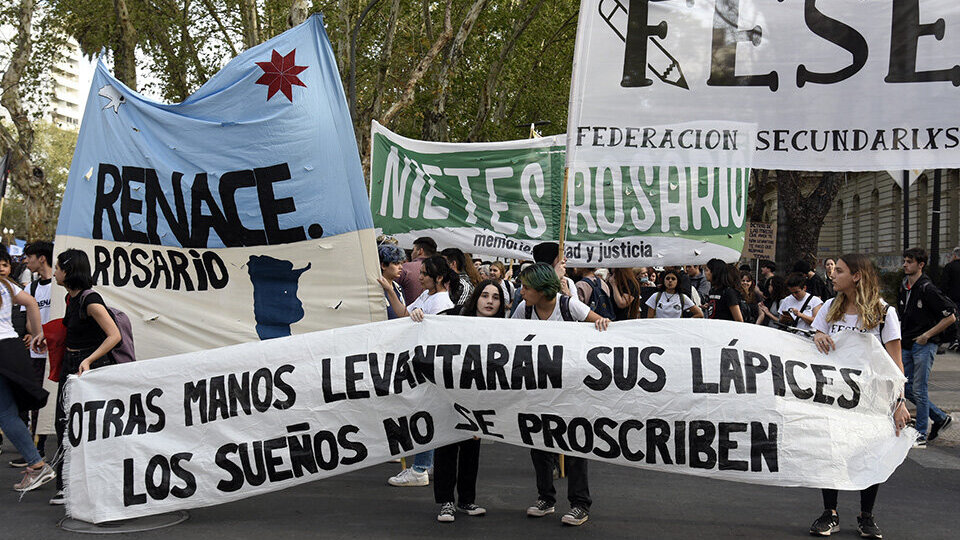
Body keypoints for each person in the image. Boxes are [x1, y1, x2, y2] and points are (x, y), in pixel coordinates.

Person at [809, 253, 911, 539]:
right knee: (831, 451)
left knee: (869, 452)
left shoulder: (883, 313)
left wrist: (900, 402)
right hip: (833, 395)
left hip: (871, 399)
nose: (832, 274)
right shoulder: (829, 308)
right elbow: (813, 343)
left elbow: (895, 361)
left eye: (839, 271)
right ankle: (830, 512)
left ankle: (866, 515)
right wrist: (817, 336)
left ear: (856, 276)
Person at [512, 263, 609, 527]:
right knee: (539, 443)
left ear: (542, 290)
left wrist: (601, 322)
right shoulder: (524, 309)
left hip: (572, 389)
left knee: (576, 444)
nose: (521, 292)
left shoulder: (569, 307)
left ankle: (580, 504)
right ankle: (546, 498)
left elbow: (599, 324)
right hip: (539, 389)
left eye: (526, 287)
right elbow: (508, 339)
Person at [50, 249, 123, 505]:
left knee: (91, 427)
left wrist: (89, 360)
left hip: (89, 367)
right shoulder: (72, 298)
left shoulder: (90, 300)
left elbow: (115, 336)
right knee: (63, 423)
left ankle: (97, 484)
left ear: (69, 271)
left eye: (57, 267)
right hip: (73, 365)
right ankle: (66, 486)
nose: (54, 272)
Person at [432, 280, 504, 522]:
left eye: (495, 297)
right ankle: (446, 502)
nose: (490, 301)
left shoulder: (504, 329)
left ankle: (466, 500)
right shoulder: (454, 316)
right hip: (449, 394)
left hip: (478, 398)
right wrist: (418, 315)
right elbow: (425, 324)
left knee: (471, 450)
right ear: (477, 297)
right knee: (446, 448)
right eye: (485, 295)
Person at [387, 256, 458, 487]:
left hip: (430, 371)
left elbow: (436, 341)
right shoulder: (427, 296)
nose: (419, 277)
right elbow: (402, 314)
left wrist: (422, 323)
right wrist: (389, 290)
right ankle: (426, 464)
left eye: (425, 274)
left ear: (438, 277)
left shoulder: (441, 303)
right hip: (420, 367)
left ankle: (419, 469)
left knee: (425, 415)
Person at [0, 265, 54, 492]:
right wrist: (38, 332)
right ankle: (36, 463)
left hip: (3, 349)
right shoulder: (5, 283)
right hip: (11, 347)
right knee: (6, 411)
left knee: (5, 413)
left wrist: (37, 333)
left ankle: (37, 464)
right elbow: (31, 302)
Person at [897, 248, 956, 447]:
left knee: (920, 390)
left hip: (924, 345)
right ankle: (939, 417)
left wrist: (927, 336)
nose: (905, 264)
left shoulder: (927, 288)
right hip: (906, 343)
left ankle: (920, 434)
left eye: (909, 262)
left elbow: (950, 316)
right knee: (904, 387)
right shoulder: (904, 286)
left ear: (920, 265)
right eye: (904, 261)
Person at [10, 242, 55, 467]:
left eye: (29, 257)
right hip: (37, 354)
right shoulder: (31, 289)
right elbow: (28, 321)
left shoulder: (59, 284)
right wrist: (35, 335)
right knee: (36, 400)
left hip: (58, 353)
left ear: (42, 258)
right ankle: (36, 450)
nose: (26, 261)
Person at [397, 237, 437, 304]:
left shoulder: (405, 267)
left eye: (413, 250)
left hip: (407, 312)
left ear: (420, 251)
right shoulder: (441, 269)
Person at [377, 243, 408, 319]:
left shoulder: (398, 288)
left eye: (401, 263)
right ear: (383, 265)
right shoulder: (375, 288)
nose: (401, 267)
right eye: (396, 263)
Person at [941, 247, 960, 350]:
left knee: (954, 319)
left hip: (953, 298)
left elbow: (944, 283)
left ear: (954, 255)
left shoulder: (950, 267)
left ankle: (954, 340)